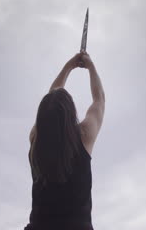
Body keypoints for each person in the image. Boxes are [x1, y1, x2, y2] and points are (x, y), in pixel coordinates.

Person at [24, 51, 105, 230]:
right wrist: (90, 66)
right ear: (71, 114)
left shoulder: (35, 140)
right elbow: (99, 100)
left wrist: (68, 66)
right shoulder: (84, 135)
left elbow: (51, 101)